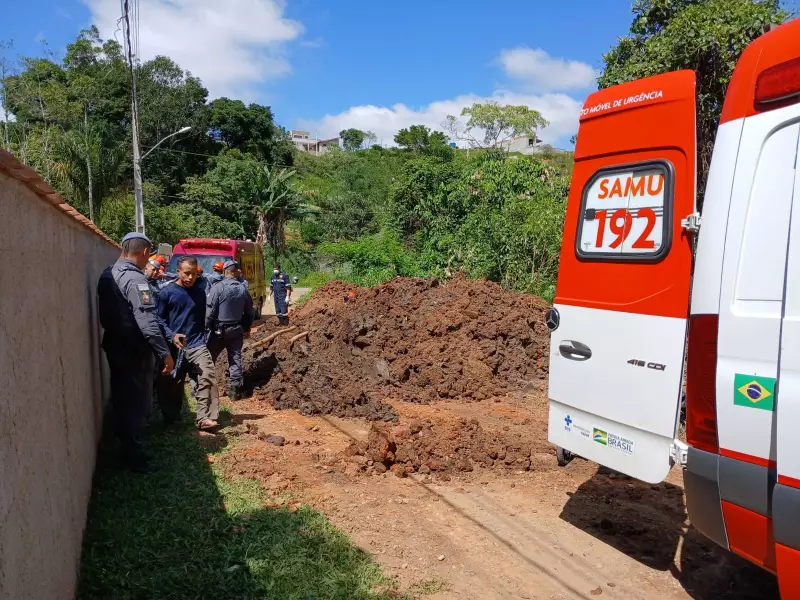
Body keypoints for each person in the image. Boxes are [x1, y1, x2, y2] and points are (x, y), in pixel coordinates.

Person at [97, 232, 174, 473]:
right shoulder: (135, 280)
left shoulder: (107, 274)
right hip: (134, 350)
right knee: (137, 402)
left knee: (122, 396)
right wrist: (165, 353)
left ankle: (126, 446)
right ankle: (134, 457)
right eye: (148, 255)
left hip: (114, 343)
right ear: (144, 252)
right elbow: (148, 323)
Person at [156, 256, 219, 431]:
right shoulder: (166, 293)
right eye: (187, 274)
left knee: (207, 376)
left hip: (197, 344)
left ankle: (204, 418)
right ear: (178, 272)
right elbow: (158, 320)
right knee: (171, 383)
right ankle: (172, 419)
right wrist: (171, 335)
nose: (190, 278)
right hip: (174, 347)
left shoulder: (200, 292)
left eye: (194, 274)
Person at [206, 260, 254, 400]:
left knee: (209, 358)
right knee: (235, 359)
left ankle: (205, 388)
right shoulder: (242, 289)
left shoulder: (217, 288)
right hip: (236, 329)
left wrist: (206, 329)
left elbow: (210, 312)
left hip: (218, 331)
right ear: (235, 271)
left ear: (224, 271)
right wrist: (246, 328)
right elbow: (250, 312)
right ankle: (235, 391)